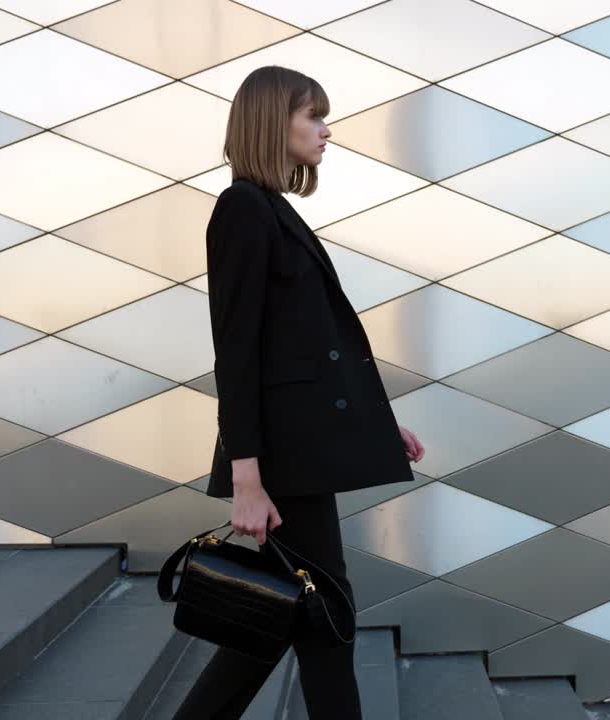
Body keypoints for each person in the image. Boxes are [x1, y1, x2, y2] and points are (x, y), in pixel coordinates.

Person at [171, 65, 425, 720]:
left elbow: (305, 351)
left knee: (289, 611)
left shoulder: (270, 209)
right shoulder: (242, 211)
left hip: (298, 452)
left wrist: (374, 426)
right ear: (271, 121)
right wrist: (247, 480)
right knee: (325, 611)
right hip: (282, 460)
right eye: (313, 116)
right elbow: (238, 353)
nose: (326, 130)